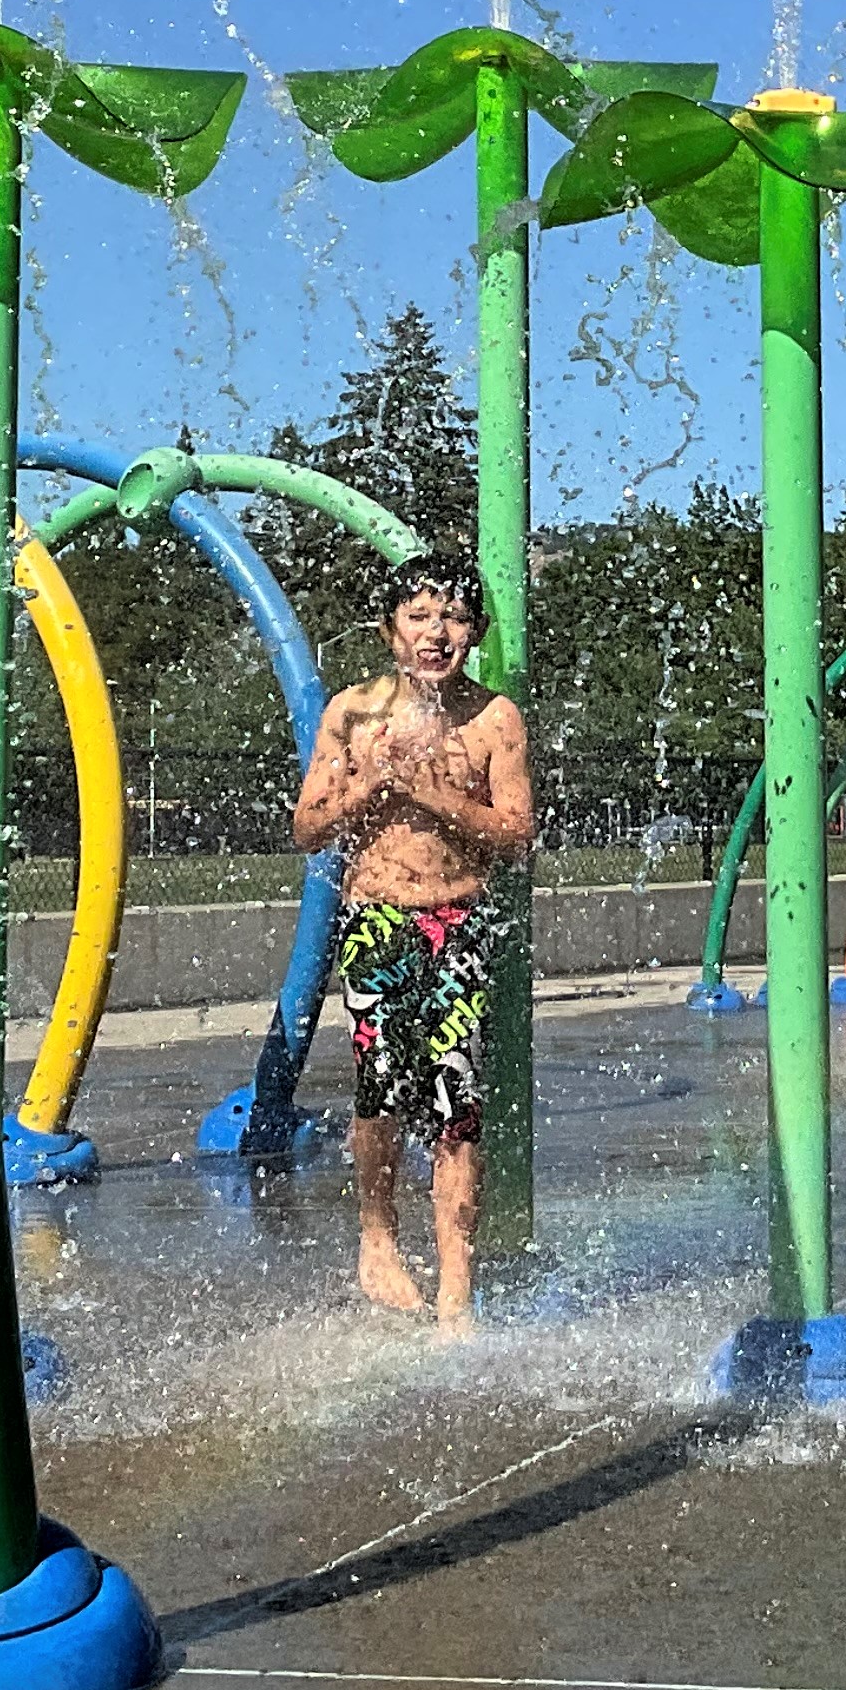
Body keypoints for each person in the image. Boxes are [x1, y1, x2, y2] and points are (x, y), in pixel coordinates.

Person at [289, 550, 536, 1330]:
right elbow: (305, 828)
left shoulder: (494, 719)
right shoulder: (352, 714)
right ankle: (377, 1236)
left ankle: (457, 1289)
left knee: (456, 1105)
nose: (437, 633)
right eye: (420, 616)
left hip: (458, 923)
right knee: (380, 1091)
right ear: (390, 630)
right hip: (378, 922)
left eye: (454, 618)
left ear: (475, 633)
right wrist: (372, 784)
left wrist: (433, 792)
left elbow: (519, 832)